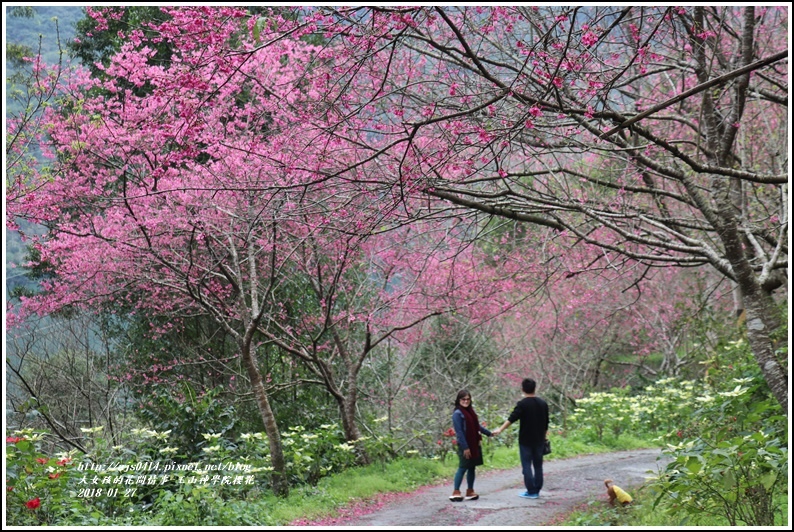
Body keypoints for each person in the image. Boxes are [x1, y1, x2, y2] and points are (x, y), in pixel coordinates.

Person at [493, 378, 549, 499]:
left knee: (527, 465)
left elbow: (512, 418)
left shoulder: (522, 404)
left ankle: (531, 491)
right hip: (539, 440)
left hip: (525, 440)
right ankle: (537, 490)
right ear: (535, 388)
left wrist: (500, 429)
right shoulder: (543, 403)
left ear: (523, 389)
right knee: (538, 465)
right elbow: (546, 423)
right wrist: (544, 437)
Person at [449, 389, 493, 502]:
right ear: (459, 400)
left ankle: (470, 490)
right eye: (463, 399)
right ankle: (456, 491)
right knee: (463, 467)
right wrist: (465, 447)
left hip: (474, 443)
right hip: (466, 445)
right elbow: (459, 432)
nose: (466, 401)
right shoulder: (457, 414)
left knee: (472, 467)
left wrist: (489, 433)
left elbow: (477, 426)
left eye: (468, 399)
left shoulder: (470, 412)